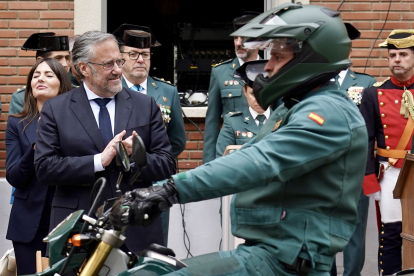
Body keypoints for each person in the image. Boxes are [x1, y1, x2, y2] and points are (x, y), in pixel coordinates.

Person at [112, 4, 368, 276]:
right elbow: (244, 155)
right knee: (148, 270)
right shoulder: (295, 107)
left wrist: (169, 190)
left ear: (310, 58)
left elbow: (259, 161)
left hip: (287, 260)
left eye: (278, 56)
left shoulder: (327, 112)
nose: (267, 66)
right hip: (267, 250)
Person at [34, 30, 176, 254]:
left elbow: (167, 163)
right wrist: (98, 161)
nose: (118, 70)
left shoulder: (145, 105)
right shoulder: (56, 109)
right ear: (84, 68)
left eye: (119, 61)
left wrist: (139, 157)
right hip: (78, 228)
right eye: (108, 64)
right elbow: (45, 168)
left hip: (137, 229)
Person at [6, 58, 73, 275]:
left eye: (48, 75)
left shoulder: (78, 123)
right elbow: (14, 176)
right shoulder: (17, 123)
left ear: (61, 84)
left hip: (67, 218)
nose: (40, 79)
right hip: (27, 222)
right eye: (35, 76)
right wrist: (35, 149)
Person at [360, 29, 414, 275]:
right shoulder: (373, 93)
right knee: (391, 232)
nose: (397, 60)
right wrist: (368, 176)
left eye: (403, 54)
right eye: (393, 55)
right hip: (391, 170)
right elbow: (366, 138)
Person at [330, 23, 376, 276]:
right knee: (323, 228)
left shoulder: (366, 82)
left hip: (354, 166)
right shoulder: (314, 82)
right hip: (322, 167)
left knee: (355, 228)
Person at [113, 24, 186, 158]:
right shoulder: (111, 89)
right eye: (133, 54)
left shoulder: (168, 91)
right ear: (120, 58)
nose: (140, 60)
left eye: (145, 55)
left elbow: (177, 141)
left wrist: (155, 163)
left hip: (155, 172)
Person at [202, 12, 260, 164]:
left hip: (264, 149)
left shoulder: (272, 70)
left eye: (244, 38)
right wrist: (209, 165)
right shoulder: (220, 72)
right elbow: (212, 122)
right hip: (232, 154)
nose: (238, 43)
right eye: (235, 38)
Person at [9, 32, 77, 116]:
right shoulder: (21, 98)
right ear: (39, 61)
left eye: (67, 58)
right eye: (58, 58)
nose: (65, 64)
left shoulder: (77, 92)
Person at [216, 60, 274, 157]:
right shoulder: (232, 123)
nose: (258, 100)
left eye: (263, 93)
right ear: (245, 92)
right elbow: (220, 162)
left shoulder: (282, 121)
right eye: (253, 94)